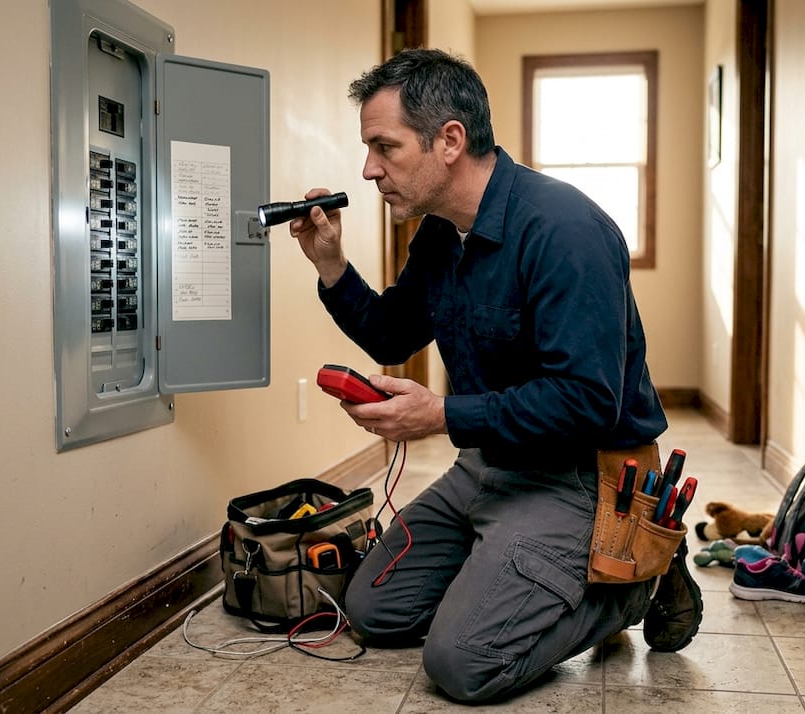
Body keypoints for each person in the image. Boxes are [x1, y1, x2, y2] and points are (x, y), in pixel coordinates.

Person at [288, 48, 702, 703]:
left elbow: (590, 403)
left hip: (578, 477)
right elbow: (395, 333)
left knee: (461, 664)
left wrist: (442, 416)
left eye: (384, 147)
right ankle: (516, 573)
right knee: (373, 611)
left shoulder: (565, 231)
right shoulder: (441, 232)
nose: (368, 169)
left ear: (449, 140)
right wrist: (331, 265)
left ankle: (630, 586)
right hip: (486, 468)